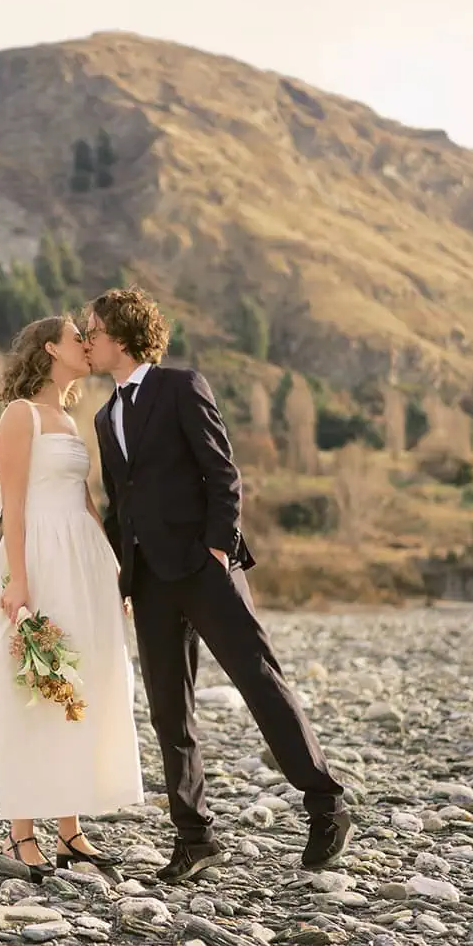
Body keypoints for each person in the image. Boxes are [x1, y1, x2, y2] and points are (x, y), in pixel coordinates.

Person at [84, 286, 351, 881]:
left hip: (207, 569)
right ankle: (195, 836)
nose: (87, 339)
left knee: (259, 682)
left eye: (93, 330)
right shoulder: (105, 416)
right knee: (168, 713)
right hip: (148, 580)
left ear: (122, 336)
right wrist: (122, 577)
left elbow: (222, 471)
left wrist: (217, 548)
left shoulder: (181, 387)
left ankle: (326, 803)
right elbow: (117, 503)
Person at [0, 315, 144, 880]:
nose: (87, 343)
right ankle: (20, 835)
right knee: (34, 685)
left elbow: (87, 502)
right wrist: (18, 581)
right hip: (40, 560)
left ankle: (70, 831)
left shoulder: (70, 421)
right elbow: (14, 507)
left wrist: (116, 571)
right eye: (79, 336)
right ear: (51, 348)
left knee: (75, 685)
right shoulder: (19, 416)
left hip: (82, 562)